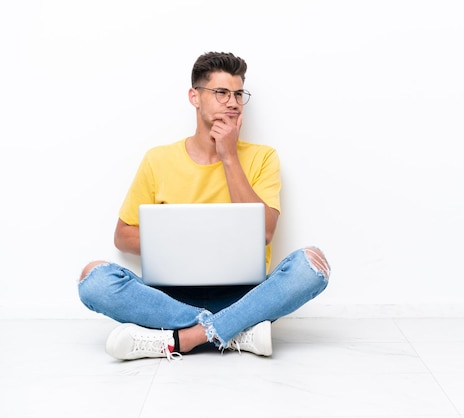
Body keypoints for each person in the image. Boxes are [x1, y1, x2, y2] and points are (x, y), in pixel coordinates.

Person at [77, 52, 330, 361]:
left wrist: (229, 156)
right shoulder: (158, 159)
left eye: (238, 94)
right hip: (170, 299)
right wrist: (187, 240)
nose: (233, 102)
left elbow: (264, 232)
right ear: (194, 97)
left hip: (245, 295)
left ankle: (182, 339)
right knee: (93, 280)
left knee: (312, 266)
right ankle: (235, 331)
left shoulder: (263, 157)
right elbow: (122, 237)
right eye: (221, 93)